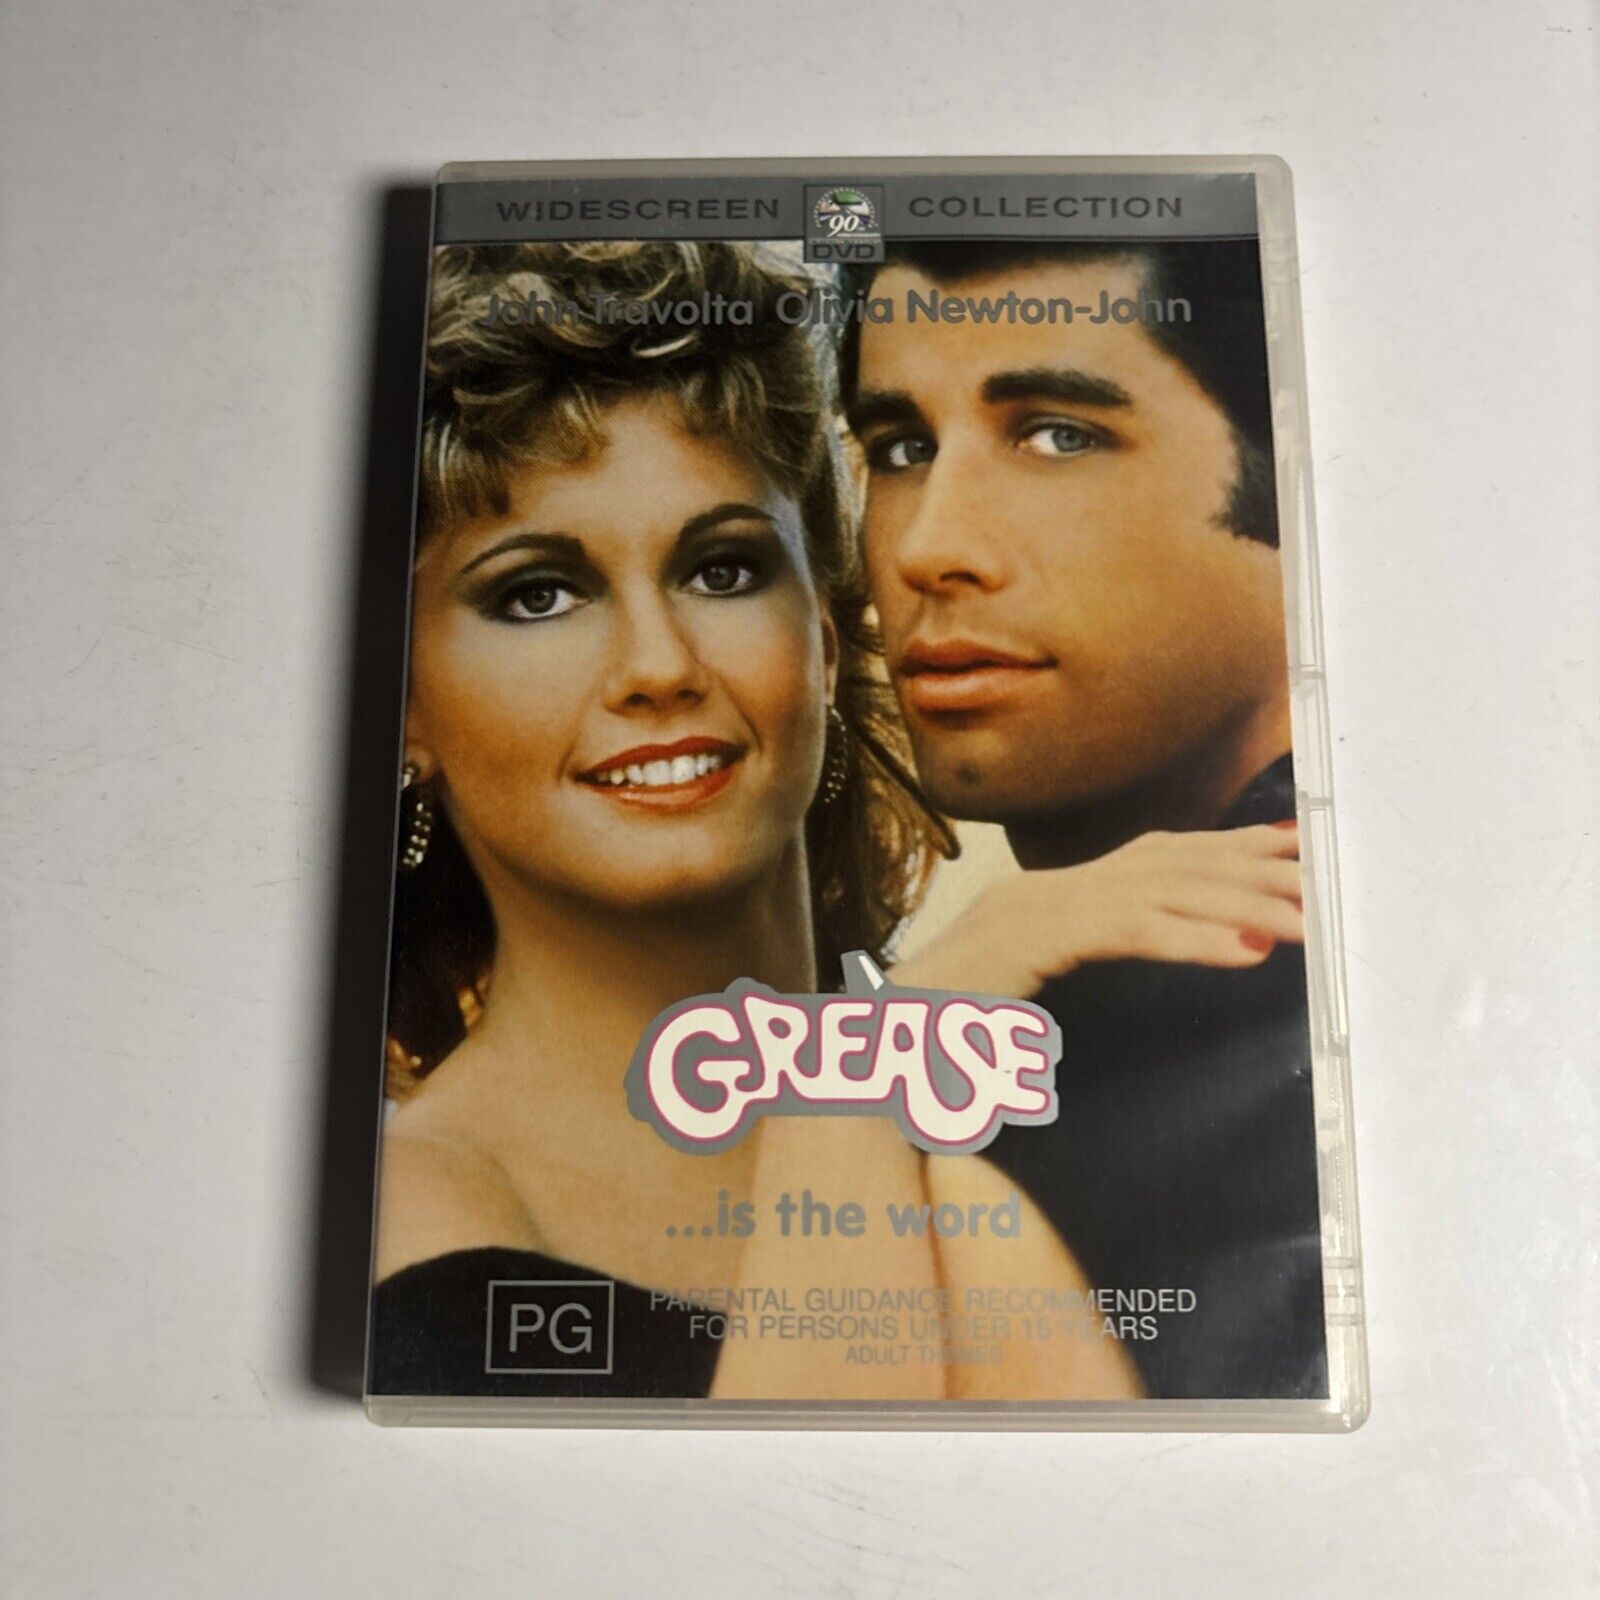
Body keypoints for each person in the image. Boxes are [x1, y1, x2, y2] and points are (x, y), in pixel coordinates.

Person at [368, 239, 1152, 1404]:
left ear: (825, 640)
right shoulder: (412, 1222)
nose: (658, 665)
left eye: (723, 570)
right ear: (407, 711)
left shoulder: (1072, 1095)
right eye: (539, 593)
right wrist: (883, 1056)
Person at [841, 239, 1327, 1399]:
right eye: (901, 448)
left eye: (1058, 435)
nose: (927, 548)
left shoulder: (1275, 1027)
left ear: (1296, 488)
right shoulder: (1038, 1004)